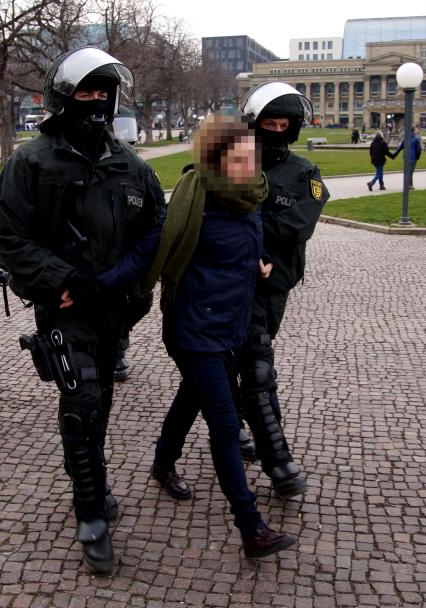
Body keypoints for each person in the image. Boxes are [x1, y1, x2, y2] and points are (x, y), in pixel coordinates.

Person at [0, 47, 165, 574]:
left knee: (102, 400)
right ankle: (89, 508)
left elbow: (156, 229)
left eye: (103, 93)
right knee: (83, 398)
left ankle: (93, 473)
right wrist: (59, 279)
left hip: (114, 307)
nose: (95, 101)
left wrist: (126, 283)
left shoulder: (129, 164)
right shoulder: (31, 161)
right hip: (64, 306)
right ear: (63, 97)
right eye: (86, 91)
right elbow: (6, 234)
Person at [125, 113, 297, 559]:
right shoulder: (195, 201)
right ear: (216, 160)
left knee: (192, 398)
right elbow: (151, 250)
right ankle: (251, 527)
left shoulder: (249, 198)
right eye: (237, 158)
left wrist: (260, 263)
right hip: (193, 330)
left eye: (251, 156)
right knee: (223, 424)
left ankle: (163, 463)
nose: (247, 165)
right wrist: (91, 285)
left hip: (231, 328)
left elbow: (249, 241)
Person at [150, 83, 328, 504]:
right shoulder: (226, 170)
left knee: (202, 383)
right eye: (270, 123)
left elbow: (300, 224)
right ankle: (277, 460)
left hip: (271, 288)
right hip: (225, 291)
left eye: (285, 124)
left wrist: (259, 233)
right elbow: (206, 223)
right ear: (254, 125)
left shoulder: (305, 173)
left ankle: (166, 458)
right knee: (256, 370)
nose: (278, 131)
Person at [394, 126, 423, 190]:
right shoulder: (416, 138)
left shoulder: (405, 138)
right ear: (413, 131)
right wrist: (417, 157)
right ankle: (407, 185)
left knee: (408, 171)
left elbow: (400, 147)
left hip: (406, 157)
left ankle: (410, 185)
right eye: (415, 130)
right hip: (412, 157)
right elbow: (419, 149)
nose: (416, 131)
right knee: (410, 172)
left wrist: (395, 154)